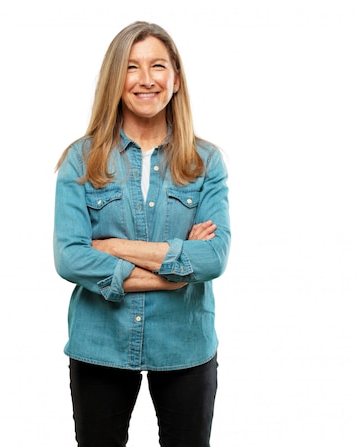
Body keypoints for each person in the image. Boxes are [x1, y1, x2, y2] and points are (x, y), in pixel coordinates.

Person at [53, 21, 230, 447]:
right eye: (132, 67)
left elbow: (214, 259)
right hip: (100, 343)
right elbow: (70, 258)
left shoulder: (206, 161)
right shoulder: (81, 159)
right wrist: (179, 267)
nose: (146, 79)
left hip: (185, 345)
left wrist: (114, 249)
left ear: (176, 78)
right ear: (116, 78)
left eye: (158, 66)